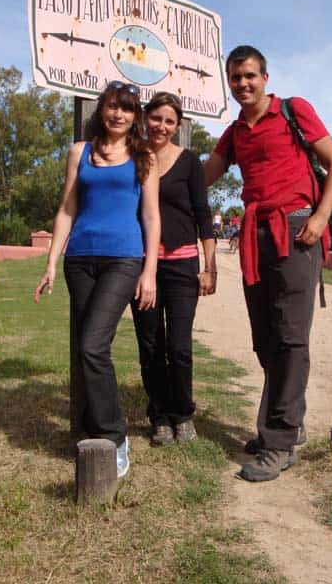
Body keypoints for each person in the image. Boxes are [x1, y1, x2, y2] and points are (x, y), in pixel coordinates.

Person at [204, 45, 332, 482]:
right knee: (266, 339)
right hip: (255, 235)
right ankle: (289, 421)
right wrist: (147, 173)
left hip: (297, 228)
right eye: (235, 78)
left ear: (265, 77)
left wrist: (321, 218)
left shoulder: (292, 110)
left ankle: (280, 441)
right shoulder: (234, 133)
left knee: (290, 337)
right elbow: (200, 175)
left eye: (249, 76)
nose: (242, 84)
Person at [34, 81, 160, 479]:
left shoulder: (145, 157)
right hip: (79, 259)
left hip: (124, 257)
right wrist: (52, 262)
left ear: (134, 115)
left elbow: (152, 217)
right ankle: (92, 431)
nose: (117, 115)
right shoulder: (79, 152)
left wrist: (150, 271)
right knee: (86, 346)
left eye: (125, 109)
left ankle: (115, 437)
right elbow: (67, 209)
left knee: (93, 345)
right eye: (111, 107)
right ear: (101, 111)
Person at [130, 93, 217, 447]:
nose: (161, 126)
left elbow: (202, 214)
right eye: (156, 118)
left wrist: (210, 266)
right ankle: (160, 417)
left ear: (178, 126)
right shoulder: (133, 159)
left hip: (182, 265)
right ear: (145, 118)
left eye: (169, 121)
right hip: (142, 267)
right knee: (151, 344)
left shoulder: (190, 162)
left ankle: (183, 414)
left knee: (179, 346)